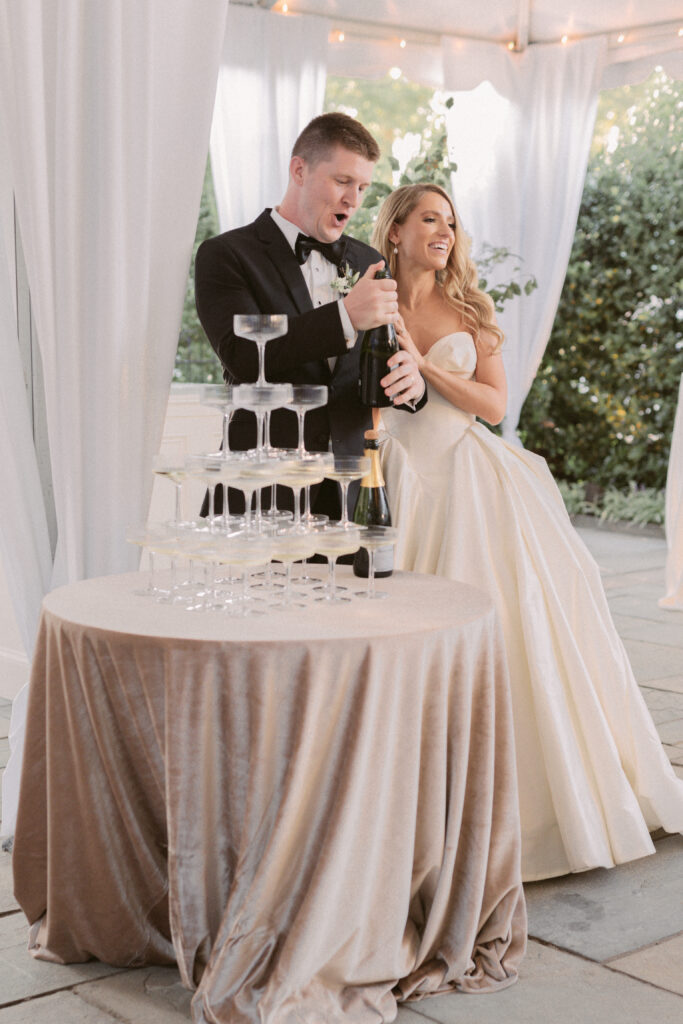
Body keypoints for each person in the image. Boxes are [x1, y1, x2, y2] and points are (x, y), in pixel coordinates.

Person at [373, 182, 683, 882]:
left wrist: (423, 368)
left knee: (497, 631)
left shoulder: (467, 310)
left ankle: (524, 810)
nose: (443, 231)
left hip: (464, 482)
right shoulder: (371, 302)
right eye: (429, 219)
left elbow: (490, 403)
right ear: (395, 230)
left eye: (450, 221)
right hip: (392, 475)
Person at [195, 113, 427, 520]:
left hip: (351, 492)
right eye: (342, 181)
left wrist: (411, 382)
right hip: (262, 489)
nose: (353, 201)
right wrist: (345, 316)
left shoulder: (368, 261)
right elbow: (243, 357)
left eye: (362, 187)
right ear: (299, 170)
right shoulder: (226, 255)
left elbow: (380, 365)